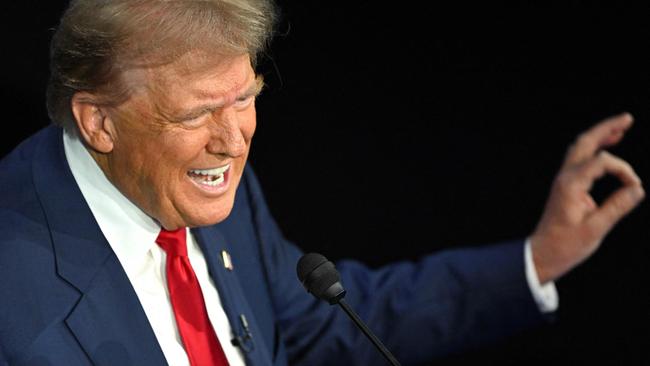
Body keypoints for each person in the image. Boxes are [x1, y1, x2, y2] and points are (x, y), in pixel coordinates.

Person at [0, 0, 644, 365]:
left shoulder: (206, 186)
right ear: (99, 122)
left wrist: (540, 258)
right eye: (197, 113)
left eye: (245, 98)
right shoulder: (17, 302)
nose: (233, 141)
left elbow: (319, 323)